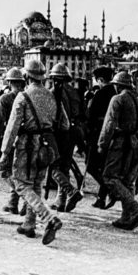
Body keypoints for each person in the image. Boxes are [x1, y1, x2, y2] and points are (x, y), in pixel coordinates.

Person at [0, 59, 67, 245]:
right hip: (46, 145)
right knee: (36, 183)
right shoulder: (52, 97)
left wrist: (5, 152)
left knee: (20, 184)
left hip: (27, 145)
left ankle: (48, 218)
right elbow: (63, 124)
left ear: (27, 76)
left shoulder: (22, 97)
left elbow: (12, 127)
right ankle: (29, 223)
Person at [98, 71, 138, 230]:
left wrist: (102, 144)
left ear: (118, 85)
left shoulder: (117, 99)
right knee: (128, 181)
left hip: (121, 142)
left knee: (109, 177)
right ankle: (126, 217)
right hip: (137, 143)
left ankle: (134, 208)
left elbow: (109, 124)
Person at [48, 63, 85, 213]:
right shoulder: (75, 93)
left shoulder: (54, 92)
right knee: (65, 166)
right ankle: (60, 200)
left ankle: (70, 192)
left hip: (60, 133)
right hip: (74, 132)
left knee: (54, 167)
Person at [86, 66, 117, 209]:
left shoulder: (100, 94)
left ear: (100, 79)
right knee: (105, 167)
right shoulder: (115, 93)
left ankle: (109, 190)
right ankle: (101, 198)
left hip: (98, 134)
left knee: (91, 165)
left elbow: (90, 116)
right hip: (113, 135)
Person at [0, 67, 26, 214]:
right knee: (19, 171)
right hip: (26, 139)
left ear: (9, 82)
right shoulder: (28, 97)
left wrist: (0, 140)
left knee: (3, 171)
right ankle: (13, 203)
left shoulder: (5, 99)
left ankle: (23, 197)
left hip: (9, 138)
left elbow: (1, 122)